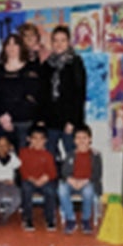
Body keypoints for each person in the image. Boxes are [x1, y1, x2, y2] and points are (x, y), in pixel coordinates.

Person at [40, 25, 87, 168]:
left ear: (69, 42)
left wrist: (72, 120)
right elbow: (43, 94)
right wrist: (42, 119)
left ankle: (73, 187)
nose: (59, 44)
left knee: (72, 156)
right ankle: (55, 187)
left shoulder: (75, 63)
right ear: (51, 43)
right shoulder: (47, 65)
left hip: (69, 120)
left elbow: (79, 94)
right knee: (49, 156)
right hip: (51, 119)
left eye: (63, 40)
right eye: (55, 40)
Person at [0, 35, 42, 146]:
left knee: (24, 159)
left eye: (15, 44)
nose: (11, 47)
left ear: (21, 47)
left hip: (24, 122)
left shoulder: (31, 69)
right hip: (1, 122)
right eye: (8, 44)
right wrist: (2, 116)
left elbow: (32, 96)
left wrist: (11, 116)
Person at [60, 126, 103, 234]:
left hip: (88, 182)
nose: (81, 141)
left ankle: (85, 220)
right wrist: (71, 180)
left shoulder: (96, 155)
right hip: (72, 182)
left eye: (84, 138)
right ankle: (71, 220)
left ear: (90, 139)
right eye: (78, 138)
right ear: (74, 140)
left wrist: (84, 181)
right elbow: (64, 172)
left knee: (88, 191)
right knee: (61, 189)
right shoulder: (70, 154)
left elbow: (97, 174)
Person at [16, 127, 60, 232]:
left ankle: (50, 219)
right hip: (29, 180)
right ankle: (28, 219)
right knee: (26, 190)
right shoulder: (23, 153)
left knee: (50, 191)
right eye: (34, 138)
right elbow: (22, 170)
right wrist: (32, 179)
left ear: (45, 141)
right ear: (29, 139)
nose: (37, 142)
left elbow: (53, 172)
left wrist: (45, 178)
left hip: (44, 181)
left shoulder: (48, 155)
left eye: (41, 139)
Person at [0, 134, 21, 224]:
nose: (2, 148)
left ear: (10, 147)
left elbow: (19, 170)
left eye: (5, 146)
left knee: (17, 198)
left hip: (9, 183)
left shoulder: (13, 157)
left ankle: (6, 214)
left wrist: (14, 181)